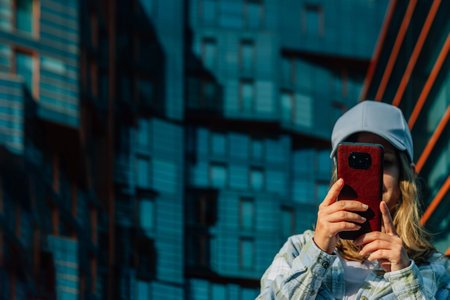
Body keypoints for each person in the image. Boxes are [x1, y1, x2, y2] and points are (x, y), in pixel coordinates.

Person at [256, 101, 450, 299]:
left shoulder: (437, 267)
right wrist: (317, 252)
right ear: (338, 174)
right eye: (356, 163)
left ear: (408, 176)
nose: (373, 176)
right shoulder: (297, 249)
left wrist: (404, 276)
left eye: (385, 162)